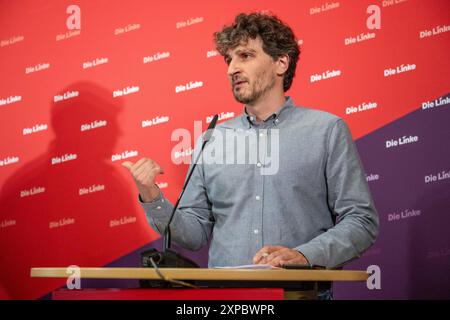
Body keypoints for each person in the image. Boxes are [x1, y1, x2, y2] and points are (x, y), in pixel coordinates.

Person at [122, 13, 379, 273]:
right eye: (229, 59)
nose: (232, 68)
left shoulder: (326, 131)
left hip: (299, 292)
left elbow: (361, 221)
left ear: (280, 63)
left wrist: (304, 255)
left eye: (245, 56)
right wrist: (151, 194)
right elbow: (193, 233)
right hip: (224, 298)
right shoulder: (210, 141)